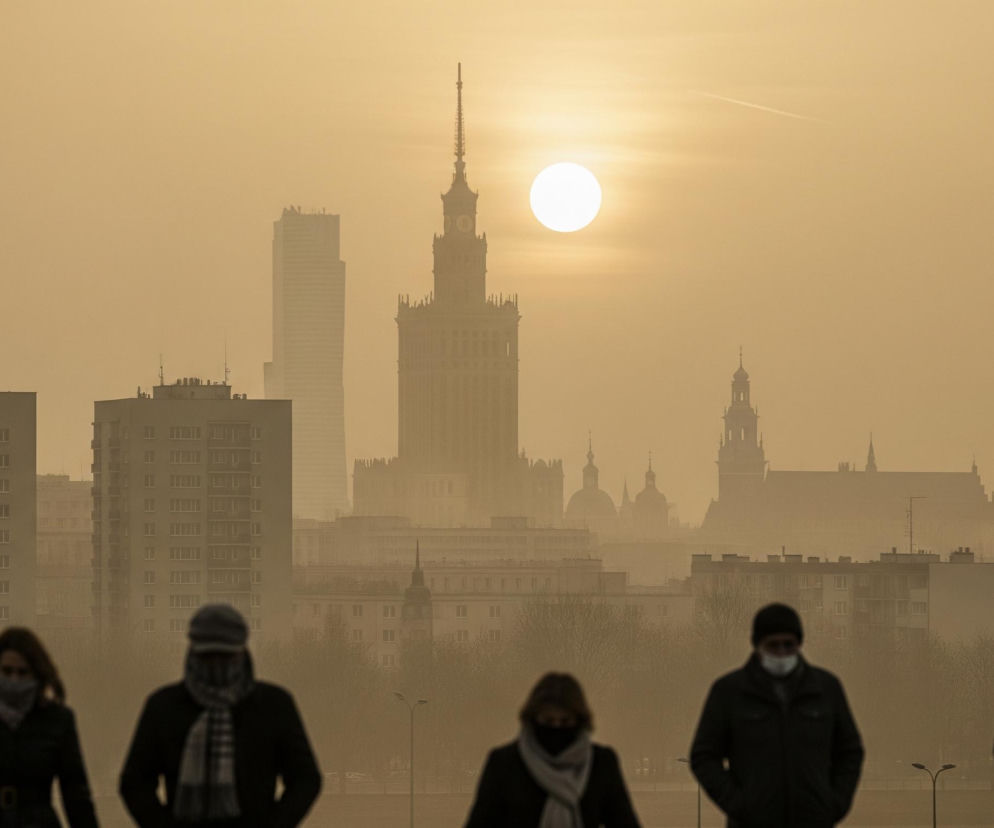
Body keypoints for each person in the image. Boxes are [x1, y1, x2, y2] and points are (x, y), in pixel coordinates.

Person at [119, 604, 321, 827]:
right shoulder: (163, 707)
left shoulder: (273, 706)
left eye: (225, 655)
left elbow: (305, 779)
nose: (216, 663)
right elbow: (134, 783)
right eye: (208, 655)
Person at [690, 602, 864, 828]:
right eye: (773, 645)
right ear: (757, 645)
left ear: (799, 644)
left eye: (788, 645)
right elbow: (704, 756)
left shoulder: (826, 689)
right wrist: (739, 805)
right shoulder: (729, 691)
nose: (782, 652)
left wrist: (833, 804)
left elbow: (850, 751)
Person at [464, 672, 640, 828]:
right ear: (533, 719)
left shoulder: (601, 763)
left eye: (565, 722)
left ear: (580, 721)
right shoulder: (504, 764)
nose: (556, 728)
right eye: (548, 721)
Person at [0, 627, 99, 827]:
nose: (14, 680)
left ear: (37, 674)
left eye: (22, 672)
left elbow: (76, 794)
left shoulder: (57, 720)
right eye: (7, 671)